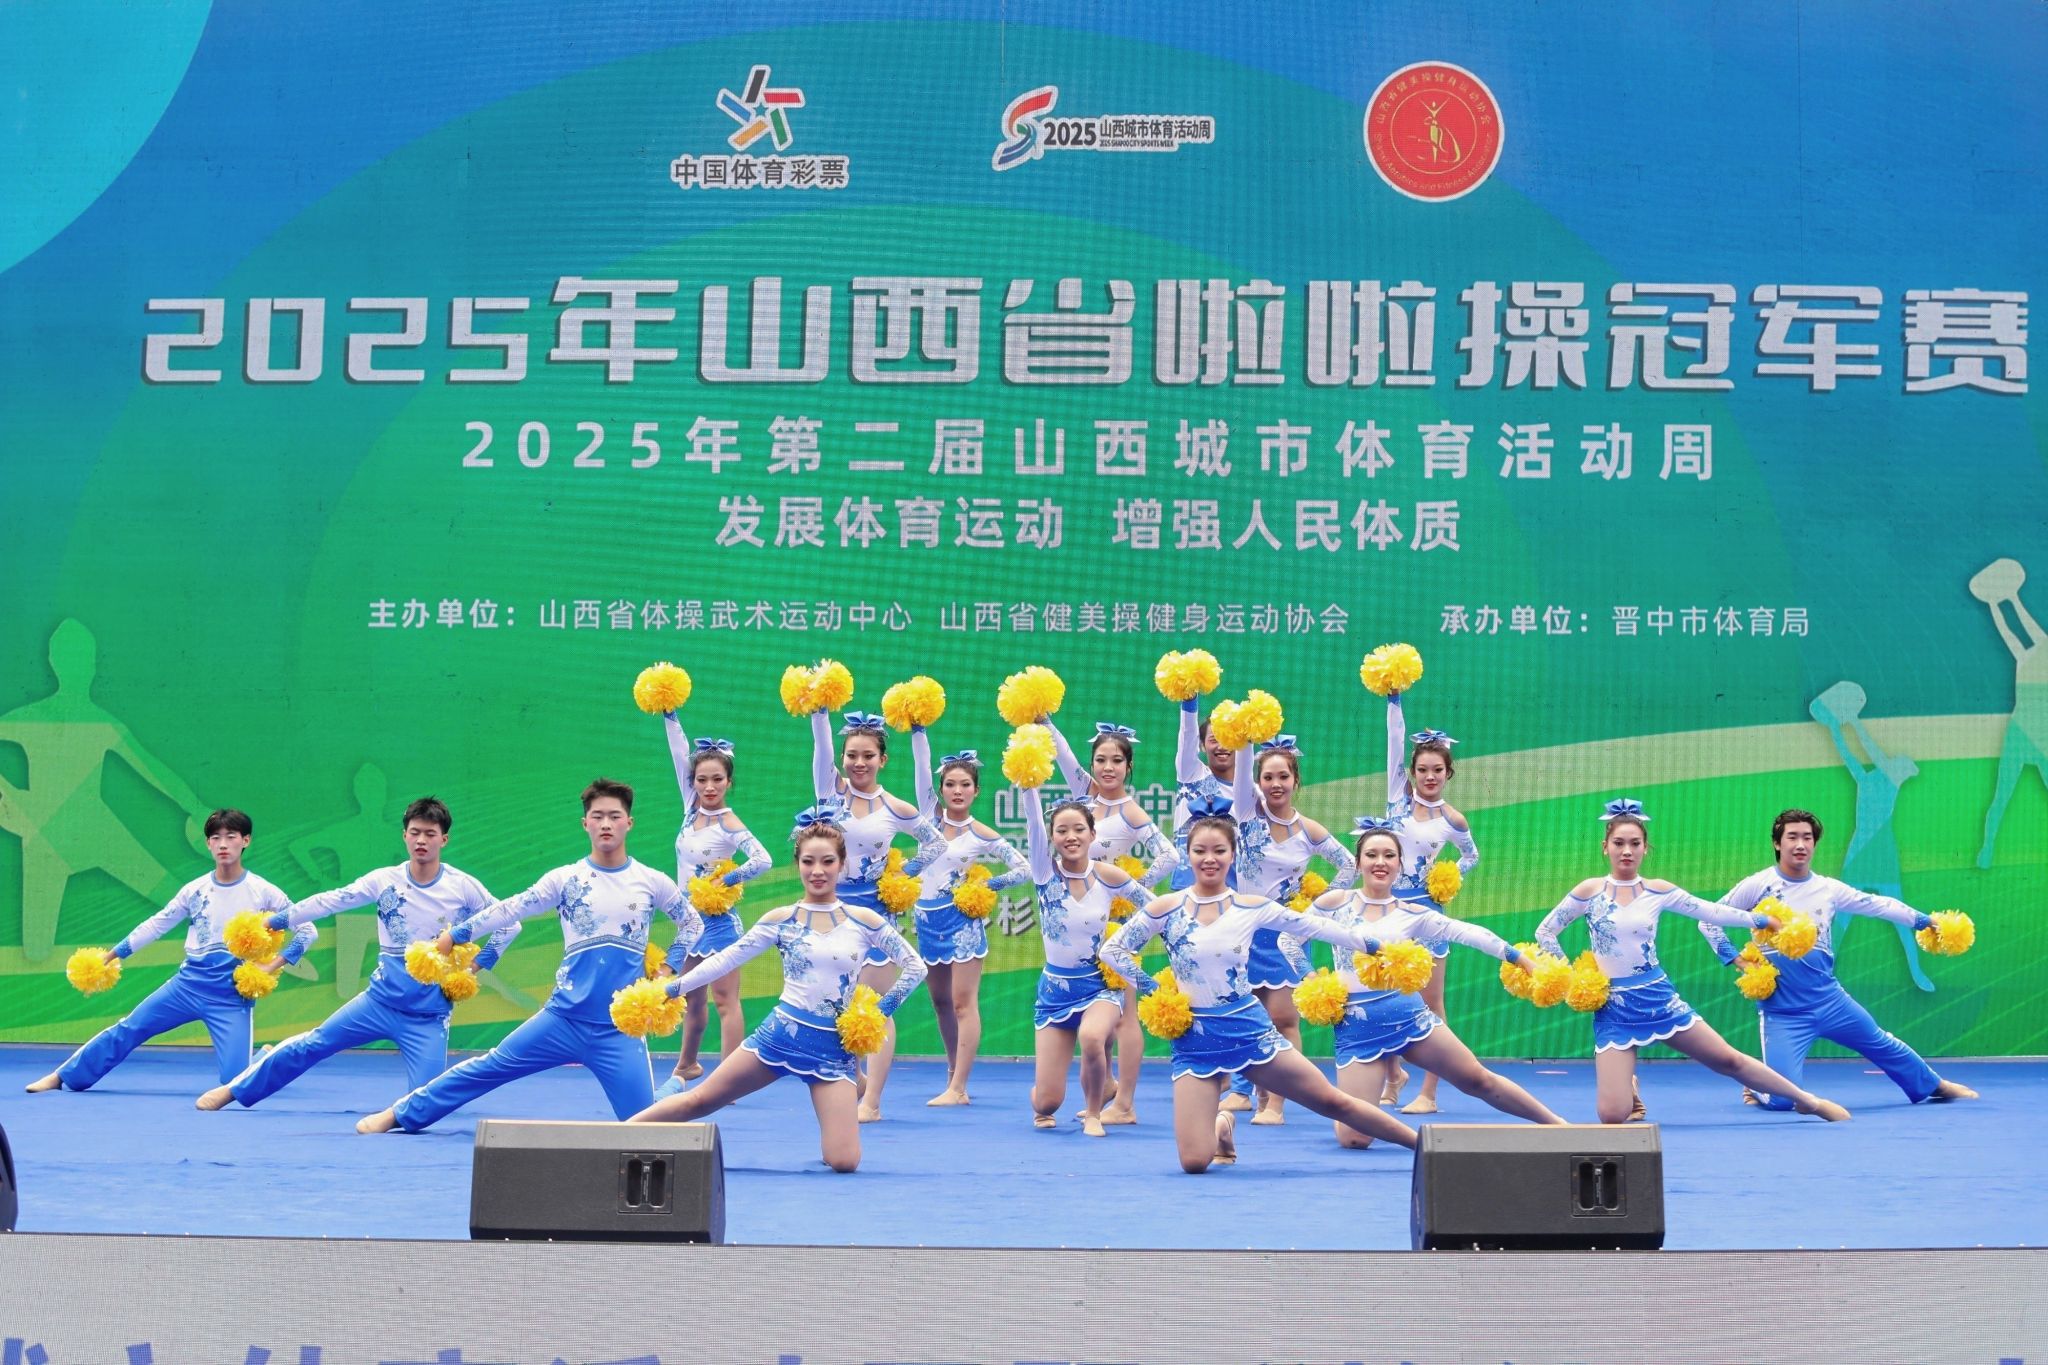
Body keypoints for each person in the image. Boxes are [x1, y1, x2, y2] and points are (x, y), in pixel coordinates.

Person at [355, 778, 701, 1133]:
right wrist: (457, 935)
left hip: (618, 1032)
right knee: (487, 1067)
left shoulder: (652, 881)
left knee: (644, 1124)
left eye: (614, 816)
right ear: (585, 823)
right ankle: (398, 1114)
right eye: (598, 816)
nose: (606, 824)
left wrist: (667, 968)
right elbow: (511, 909)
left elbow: (692, 924)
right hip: (562, 1020)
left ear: (629, 822)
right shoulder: (565, 879)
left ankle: (673, 1085)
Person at [1099, 806, 1420, 1172]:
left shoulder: (1251, 907)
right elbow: (1112, 950)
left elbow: (1314, 926)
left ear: (1233, 855)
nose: (1209, 859)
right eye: (1200, 851)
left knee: (1332, 1101)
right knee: (1194, 1162)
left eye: (1219, 850)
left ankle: (1421, 1143)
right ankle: (1222, 1126)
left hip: (1249, 1031)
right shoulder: (1165, 907)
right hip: (1194, 1040)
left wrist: (1372, 946)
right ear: (1188, 855)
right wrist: (1155, 990)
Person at [631, 813, 927, 1173]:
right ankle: (614, 1137)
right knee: (700, 1101)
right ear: (798, 864)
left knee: (844, 1161)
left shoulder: (865, 920)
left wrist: (878, 1013)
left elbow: (916, 967)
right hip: (778, 1038)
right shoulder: (781, 919)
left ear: (842, 864)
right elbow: (725, 960)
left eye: (827, 861)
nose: (817, 871)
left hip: (832, 1052)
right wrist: (673, 988)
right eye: (808, 861)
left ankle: (853, 1080)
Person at [1533, 800, 1851, 1124]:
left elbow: (1711, 912)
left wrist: (1761, 919)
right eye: (1619, 843)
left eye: (1635, 843)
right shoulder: (1589, 891)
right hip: (1612, 1009)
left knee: (1728, 1061)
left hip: (1658, 999)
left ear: (1646, 848)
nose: (1627, 851)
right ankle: (1629, 1085)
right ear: (1605, 847)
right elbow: (1545, 932)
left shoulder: (1658, 891)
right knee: (1612, 1116)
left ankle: (1808, 1101)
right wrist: (1573, 978)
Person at [196, 796, 517, 1111]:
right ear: (404, 835)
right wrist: (277, 921)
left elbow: (509, 925)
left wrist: (471, 970)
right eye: (415, 832)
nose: (421, 840)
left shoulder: (463, 886)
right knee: (313, 1044)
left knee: (425, 1102)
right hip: (378, 1003)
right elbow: (331, 900)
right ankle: (234, 1090)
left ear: (443, 840)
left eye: (430, 834)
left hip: (428, 1017)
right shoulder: (384, 880)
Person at [1699, 808, 1978, 1110]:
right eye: (1792, 837)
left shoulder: (1828, 888)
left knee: (1881, 1042)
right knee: (1782, 1101)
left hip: (1830, 1001)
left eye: (1807, 837)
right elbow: (1708, 921)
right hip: (1782, 1013)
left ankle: (1935, 1085)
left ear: (1814, 843)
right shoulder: (1758, 885)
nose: (1800, 844)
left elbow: (1879, 905)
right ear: (1778, 843)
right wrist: (1739, 961)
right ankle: (1757, 1087)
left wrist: (1926, 922)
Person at [27, 809, 313, 1093]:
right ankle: (62, 1077)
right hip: (186, 987)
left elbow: (308, 930)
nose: (223, 844)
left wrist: (272, 965)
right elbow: (156, 925)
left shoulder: (264, 891)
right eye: (216, 838)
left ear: (246, 840)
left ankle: (262, 1059)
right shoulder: (194, 890)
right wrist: (111, 956)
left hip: (231, 995)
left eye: (231, 836)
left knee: (235, 1084)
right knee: (129, 1028)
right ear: (208, 844)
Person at [1314, 820, 1563, 1144]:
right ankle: (1404, 1130)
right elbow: (1288, 938)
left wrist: (1522, 959)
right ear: (1359, 862)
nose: (1380, 862)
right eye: (1371, 855)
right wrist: (1312, 981)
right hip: (1356, 1028)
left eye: (1389, 855)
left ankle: (1558, 1124)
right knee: (1353, 1139)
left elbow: (1469, 933)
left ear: (1400, 864)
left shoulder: (1412, 913)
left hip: (1410, 1019)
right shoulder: (1334, 903)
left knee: (1478, 1080)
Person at [808, 705, 943, 1121]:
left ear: (883, 759)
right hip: (830, 912)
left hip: (876, 917)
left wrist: (902, 876)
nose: (859, 763)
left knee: (876, 1007)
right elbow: (820, 744)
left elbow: (936, 843)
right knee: (836, 1003)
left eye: (868, 755)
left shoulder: (895, 807)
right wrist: (820, 710)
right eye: (852, 755)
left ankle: (872, 1101)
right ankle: (855, 1080)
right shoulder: (830, 793)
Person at [1047, 717, 1177, 1124]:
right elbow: (1064, 757)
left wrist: (1130, 888)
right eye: (1101, 760)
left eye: (1117, 761)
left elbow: (1170, 856)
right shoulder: (1084, 796)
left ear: (1129, 766)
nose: (1108, 768)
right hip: (1079, 917)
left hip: (1116, 923)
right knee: (1095, 1006)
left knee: (1124, 1013)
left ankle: (1125, 1104)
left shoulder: (1131, 811)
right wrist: (1045, 720)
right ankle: (1103, 1086)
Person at [1228, 733, 1356, 1124]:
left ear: (1296, 780)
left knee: (1284, 1020)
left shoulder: (1308, 830)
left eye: (1283, 776)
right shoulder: (1246, 815)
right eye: (1268, 777)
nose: (1276, 784)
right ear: (1258, 782)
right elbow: (1241, 769)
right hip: (1244, 932)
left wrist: (1316, 908)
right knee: (1245, 1018)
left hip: (1285, 935)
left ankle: (1277, 1104)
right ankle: (1248, 1094)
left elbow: (1349, 865)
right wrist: (1246, 736)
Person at [907, 733, 1029, 1106]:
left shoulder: (981, 833)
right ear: (941, 790)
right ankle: (952, 1074)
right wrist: (918, 730)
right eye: (950, 784)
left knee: (962, 1003)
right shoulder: (928, 821)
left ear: (976, 791)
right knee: (940, 1002)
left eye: (965, 785)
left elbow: (1023, 869)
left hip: (962, 925)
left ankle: (959, 1086)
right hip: (927, 922)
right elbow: (921, 768)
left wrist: (984, 885)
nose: (957, 791)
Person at [654, 715, 771, 1099]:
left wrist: (728, 879)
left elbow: (763, 860)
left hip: (720, 924)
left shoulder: (729, 822)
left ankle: (729, 1082)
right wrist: (670, 715)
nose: (708, 786)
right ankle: (686, 1065)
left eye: (717, 779)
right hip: (690, 922)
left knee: (724, 1000)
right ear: (692, 782)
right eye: (701, 779)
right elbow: (679, 754)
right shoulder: (691, 810)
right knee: (691, 995)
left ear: (729, 782)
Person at [1376, 689, 1477, 1115]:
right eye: (1422, 769)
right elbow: (1394, 740)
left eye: (1437, 770)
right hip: (1385, 910)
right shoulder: (1397, 797)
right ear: (1411, 772)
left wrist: (1448, 877)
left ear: (1448, 773)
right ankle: (1392, 1075)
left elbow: (1471, 856)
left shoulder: (1453, 819)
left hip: (1428, 914)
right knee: (1382, 997)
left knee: (1432, 1004)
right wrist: (1394, 700)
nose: (1429, 777)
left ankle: (1429, 1093)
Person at [1017, 785, 1139, 1137]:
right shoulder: (1045, 873)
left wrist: (1127, 942)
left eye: (1078, 829)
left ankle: (1093, 1114)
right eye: (1062, 830)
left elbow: (1154, 911)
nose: (1071, 837)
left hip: (1099, 986)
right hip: (1055, 994)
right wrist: (1028, 785)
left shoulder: (1109, 876)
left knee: (1092, 1036)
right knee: (1047, 1102)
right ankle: (1044, 1099)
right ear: (1052, 838)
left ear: (1092, 834)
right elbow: (1033, 822)